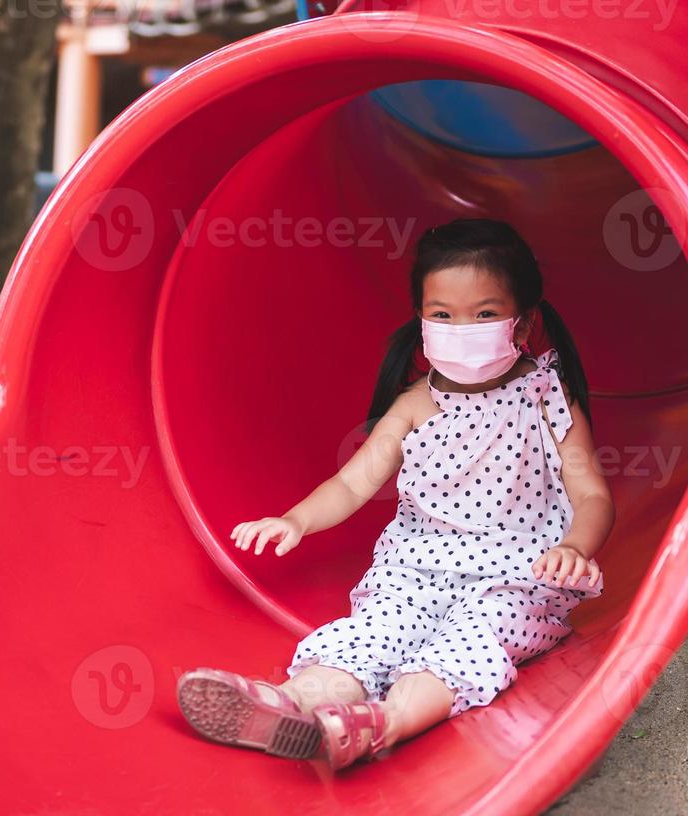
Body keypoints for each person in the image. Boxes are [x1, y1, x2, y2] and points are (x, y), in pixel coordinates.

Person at [176, 219, 616, 770]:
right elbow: (352, 482)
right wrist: (295, 520)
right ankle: (292, 703)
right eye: (443, 315)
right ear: (421, 321)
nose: (463, 327)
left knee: (467, 646)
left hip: (518, 573)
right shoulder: (413, 405)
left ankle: (381, 724)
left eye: (484, 314)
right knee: (373, 633)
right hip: (415, 570)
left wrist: (575, 547)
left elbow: (592, 494)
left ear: (523, 321)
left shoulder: (547, 398)